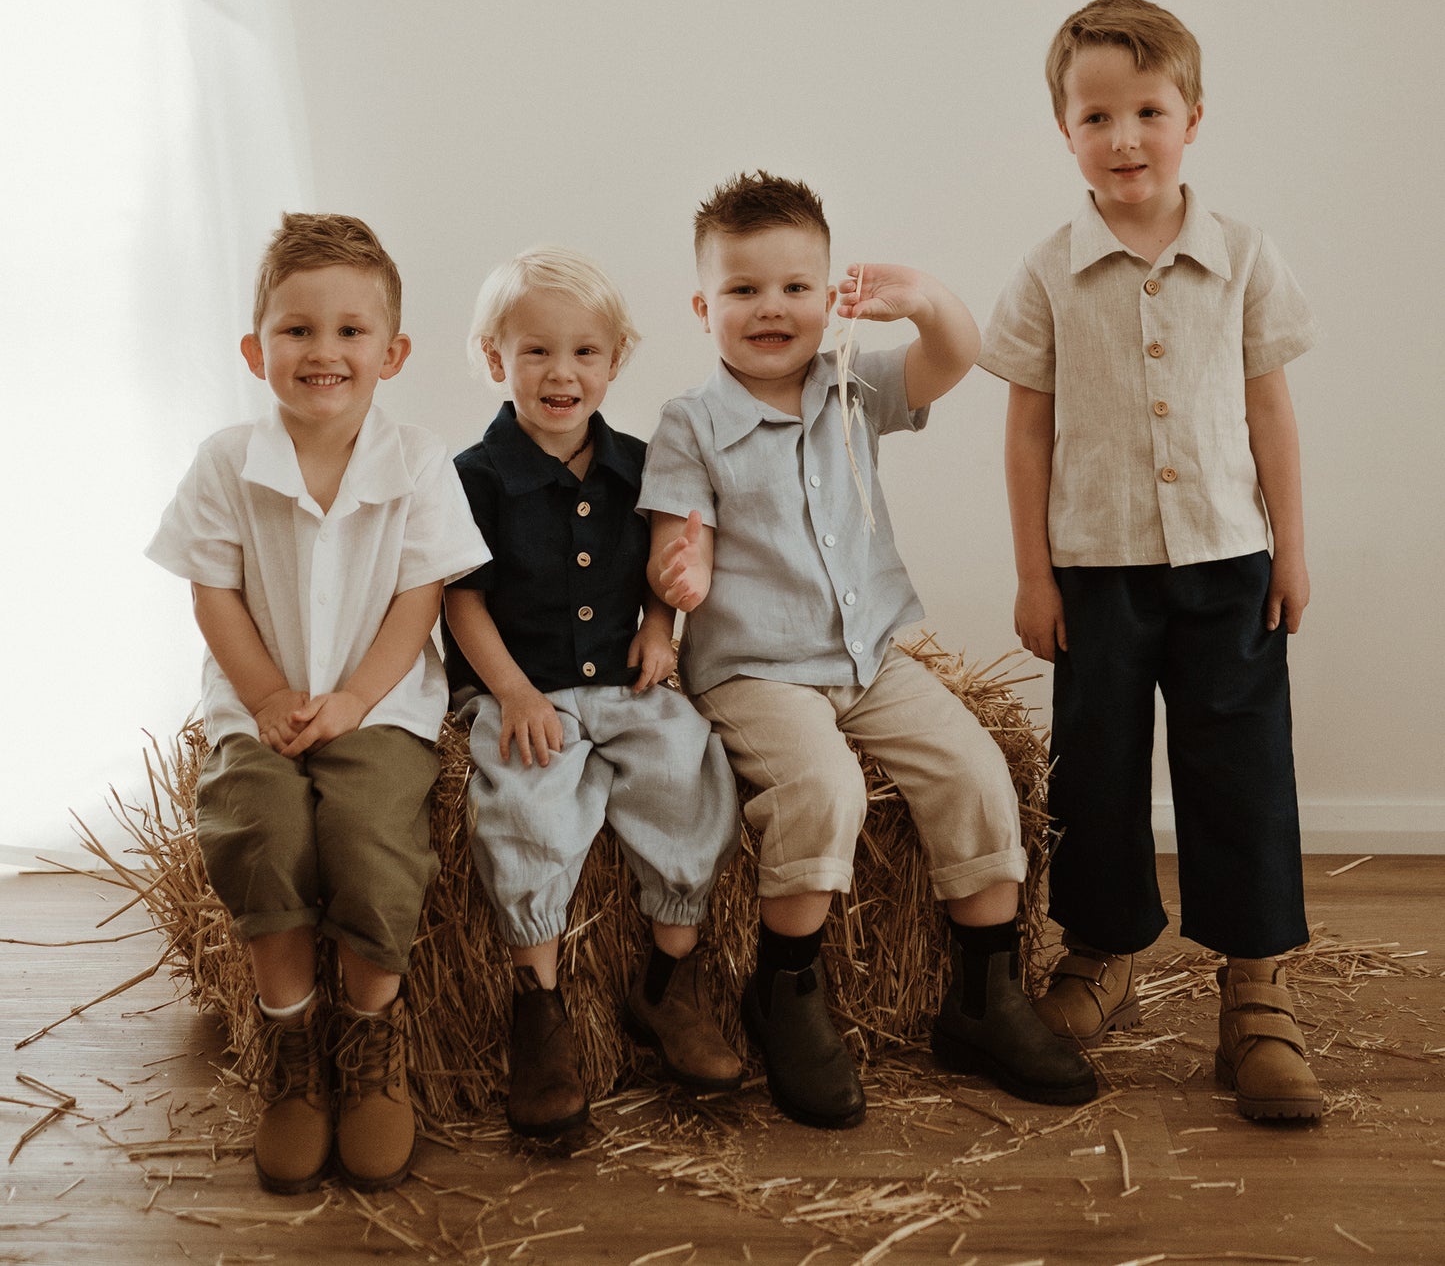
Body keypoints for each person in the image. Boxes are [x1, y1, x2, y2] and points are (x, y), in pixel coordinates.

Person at [638, 171, 1095, 1131]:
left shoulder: (855, 382)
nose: (772, 308)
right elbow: (679, 535)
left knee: (975, 770)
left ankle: (982, 996)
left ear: (830, 292)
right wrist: (682, 570)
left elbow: (957, 358)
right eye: (743, 290)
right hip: (759, 669)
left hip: (871, 654)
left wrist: (924, 300)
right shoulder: (691, 422)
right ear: (701, 306)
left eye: (796, 287)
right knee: (824, 790)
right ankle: (786, 992)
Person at [978, 0, 1322, 1121]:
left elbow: (1268, 411)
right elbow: (1025, 428)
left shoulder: (1241, 257)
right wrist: (1032, 571)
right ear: (1062, 129)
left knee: (1239, 766)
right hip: (1095, 565)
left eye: (1146, 110)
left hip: (1226, 557)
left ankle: (1254, 982)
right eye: (1095, 115)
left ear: (1191, 117)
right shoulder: (1045, 273)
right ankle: (1099, 948)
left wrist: (1289, 550)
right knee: (1096, 762)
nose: (1123, 136)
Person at [147, 213, 489, 1192]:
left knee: (373, 841)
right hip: (259, 703)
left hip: (376, 705)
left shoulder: (418, 460)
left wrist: (350, 698)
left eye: (349, 331)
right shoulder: (226, 460)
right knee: (256, 829)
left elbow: (419, 595)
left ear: (392, 351)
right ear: (257, 349)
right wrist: (264, 695)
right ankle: (293, 1050)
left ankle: (373, 1041)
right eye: (298, 330)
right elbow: (211, 587)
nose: (324, 351)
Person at [442, 247, 742, 1139]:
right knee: (527, 803)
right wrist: (512, 694)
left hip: (623, 680)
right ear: (496, 358)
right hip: (523, 688)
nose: (560, 372)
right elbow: (460, 600)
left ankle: (666, 981)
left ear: (616, 360)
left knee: (688, 770)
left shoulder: (640, 464)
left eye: (584, 352)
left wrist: (660, 627)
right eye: (535, 351)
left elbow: (662, 564)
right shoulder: (477, 475)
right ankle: (538, 1005)